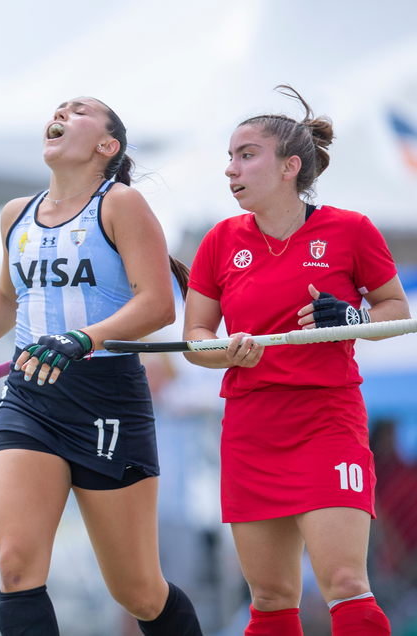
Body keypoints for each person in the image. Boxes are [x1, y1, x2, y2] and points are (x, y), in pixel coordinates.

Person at [0, 97, 203, 635]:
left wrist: (84, 338)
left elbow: (160, 305)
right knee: (16, 567)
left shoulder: (120, 204)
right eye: (59, 108)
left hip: (106, 399)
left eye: (79, 111)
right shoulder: (15, 214)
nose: (61, 113)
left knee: (138, 592)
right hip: (31, 398)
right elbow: (6, 299)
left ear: (107, 146)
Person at [182, 85, 407, 635]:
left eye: (246, 155)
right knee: (271, 597)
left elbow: (395, 311)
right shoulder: (219, 241)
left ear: (290, 167)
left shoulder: (350, 230)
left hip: (327, 421)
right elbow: (195, 339)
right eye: (230, 157)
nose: (231, 168)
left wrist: (351, 318)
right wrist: (223, 352)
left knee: (346, 583)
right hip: (251, 427)